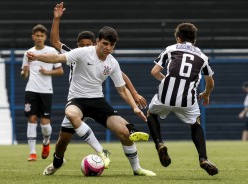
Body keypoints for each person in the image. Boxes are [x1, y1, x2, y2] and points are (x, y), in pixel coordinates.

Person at [27, 24, 156, 176]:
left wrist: (134, 107)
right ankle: (64, 160)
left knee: (124, 133)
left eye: (111, 45)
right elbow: (57, 57)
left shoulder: (112, 62)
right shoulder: (82, 52)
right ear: (98, 41)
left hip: (97, 101)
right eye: (105, 44)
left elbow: (121, 88)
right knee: (64, 136)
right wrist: (37, 56)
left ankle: (137, 169)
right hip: (77, 100)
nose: (108, 48)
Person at [146, 22, 219, 176]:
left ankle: (159, 143)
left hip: (165, 95)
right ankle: (203, 158)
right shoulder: (202, 56)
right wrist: (205, 94)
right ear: (195, 40)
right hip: (187, 99)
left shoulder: (170, 49)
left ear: (178, 38)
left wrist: (167, 80)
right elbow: (210, 83)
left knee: (151, 114)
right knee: (195, 124)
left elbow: (154, 72)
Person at [21, 24, 64, 161]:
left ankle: (46, 142)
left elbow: (60, 71)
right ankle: (32, 152)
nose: (39, 38)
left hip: (46, 91)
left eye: (41, 35)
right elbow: (23, 74)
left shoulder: (51, 51)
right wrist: (25, 71)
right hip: (31, 90)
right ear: (33, 36)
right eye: (37, 35)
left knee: (45, 124)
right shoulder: (28, 53)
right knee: (32, 118)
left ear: (45, 37)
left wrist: (47, 72)